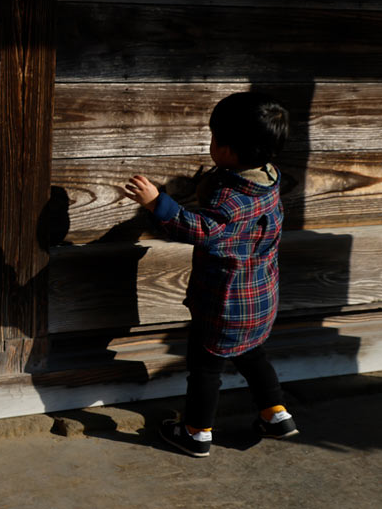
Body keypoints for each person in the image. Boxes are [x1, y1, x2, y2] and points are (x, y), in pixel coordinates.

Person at [123, 91, 296, 458]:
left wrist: (157, 202)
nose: (211, 144)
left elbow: (200, 229)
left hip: (223, 305)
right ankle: (276, 413)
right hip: (259, 299)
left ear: (229, 151)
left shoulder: (229, 201)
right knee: (253, 356)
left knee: (205, 369)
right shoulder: (269, 180)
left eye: (215, 139)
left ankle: (196, 432)